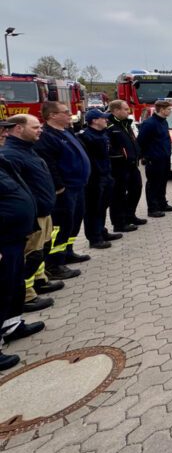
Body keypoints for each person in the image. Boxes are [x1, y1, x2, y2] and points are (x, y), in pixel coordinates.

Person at [0, 115, 62, 312]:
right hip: (33, 216)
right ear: (19, 128)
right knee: (30, 255)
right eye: (35, 127)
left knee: (40, 250)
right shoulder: (12, 154)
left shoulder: (26, 148)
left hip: (43, 211)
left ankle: (38, 280)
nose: (40, 130)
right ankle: (27, 295)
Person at [0, 119, 43, 371]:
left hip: (14, 236)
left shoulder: (3, 159)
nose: (4, 134)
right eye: (1, 131)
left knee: (12, 286)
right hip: (3, 240)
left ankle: (12, 325)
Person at [35, 101, 92, 278]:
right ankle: (54, 264)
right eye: (66, 112)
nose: (70, 115)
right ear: (52, 115)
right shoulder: (47, 136)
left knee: (74, 222)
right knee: (60, 226)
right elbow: (49, 164)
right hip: (64, 189)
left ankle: (67, 251)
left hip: (77, 186)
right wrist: (59, 187)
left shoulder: (65, 131)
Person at [78, 109, 120, 249]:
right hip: (95, 179)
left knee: (102, 207)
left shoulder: (103, 134)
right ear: (94, 121)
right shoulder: (87, 137)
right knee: (93, 209)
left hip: (106, 175)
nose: (106, 120)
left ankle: (102, 232)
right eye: (103, 118)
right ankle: (94, 238)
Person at [106, 100, 145, 232]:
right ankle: (119, 223)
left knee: (136, 189)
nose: (129, 112)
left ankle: (130, 215)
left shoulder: (126, 124)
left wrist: (138, 153)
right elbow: (109, 147)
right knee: (118, 195)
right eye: (126, 109)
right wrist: (121, 156)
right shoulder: (110, 126)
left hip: (132, 164)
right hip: (119, 166)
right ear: (116, 111)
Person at [137, 100, 172, 217]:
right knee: (153, 184)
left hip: (164, 158)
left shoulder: (163, 122)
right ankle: (153, 208)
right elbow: (141, 141)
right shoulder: (149, 123)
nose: (170, 111)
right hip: (154, 159)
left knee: (162, 182)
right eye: (169, 109)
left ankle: (162, 203)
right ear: (162, 109)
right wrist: (145, 156)